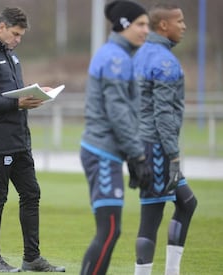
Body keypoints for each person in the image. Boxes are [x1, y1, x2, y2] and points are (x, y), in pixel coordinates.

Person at [0, 7, 65, 273]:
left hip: (19, 138)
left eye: (21, 35)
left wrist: (36, 94)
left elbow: (11, 95)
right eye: (15, 34)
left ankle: (32, 258)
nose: (18, 39)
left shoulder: (11, 56)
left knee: (32, 193)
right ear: (1, 28)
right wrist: (17, 103)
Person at [79, 1, 153, 274]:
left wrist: (132, 155)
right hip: (102, 152)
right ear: (123, 25)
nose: (147, 30)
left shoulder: (119, 55)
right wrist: (137, 154)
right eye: (141, 24)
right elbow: (118, 112)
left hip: (107, 152)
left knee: (111, 230)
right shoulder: (115, 58)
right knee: (109, 230)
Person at [132, 3, 198, 275]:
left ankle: (172, 271)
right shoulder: (165, 61)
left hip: (141, 144)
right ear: (163, 26)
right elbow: (163, 115)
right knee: (151, 216)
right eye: (179, 21)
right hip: (157, 147)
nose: (184, 26)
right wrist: (173, 156)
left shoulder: (140, 53)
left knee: (187, 203)